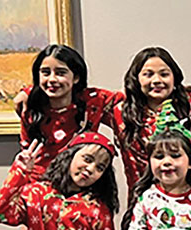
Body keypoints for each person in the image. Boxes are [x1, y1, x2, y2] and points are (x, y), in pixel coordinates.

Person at [109, 46, 191, 205]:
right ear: (136, 78)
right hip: (142, 205)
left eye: (164, 74)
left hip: (188, 204)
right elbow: (84, 98)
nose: (157, 80)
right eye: (148, 74)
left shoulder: (189, 104)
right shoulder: (121, 111)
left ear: (174, 77)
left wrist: (190, 88)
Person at [18, 44, 121, 177]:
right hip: (39, 181)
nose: (52, 79)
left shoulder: (92, 101)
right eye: (45, 72)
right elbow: (26, 157)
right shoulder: (31, 107)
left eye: (61, 73)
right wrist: (27, 92)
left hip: (81, 179)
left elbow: (128, 96)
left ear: (76, 77)